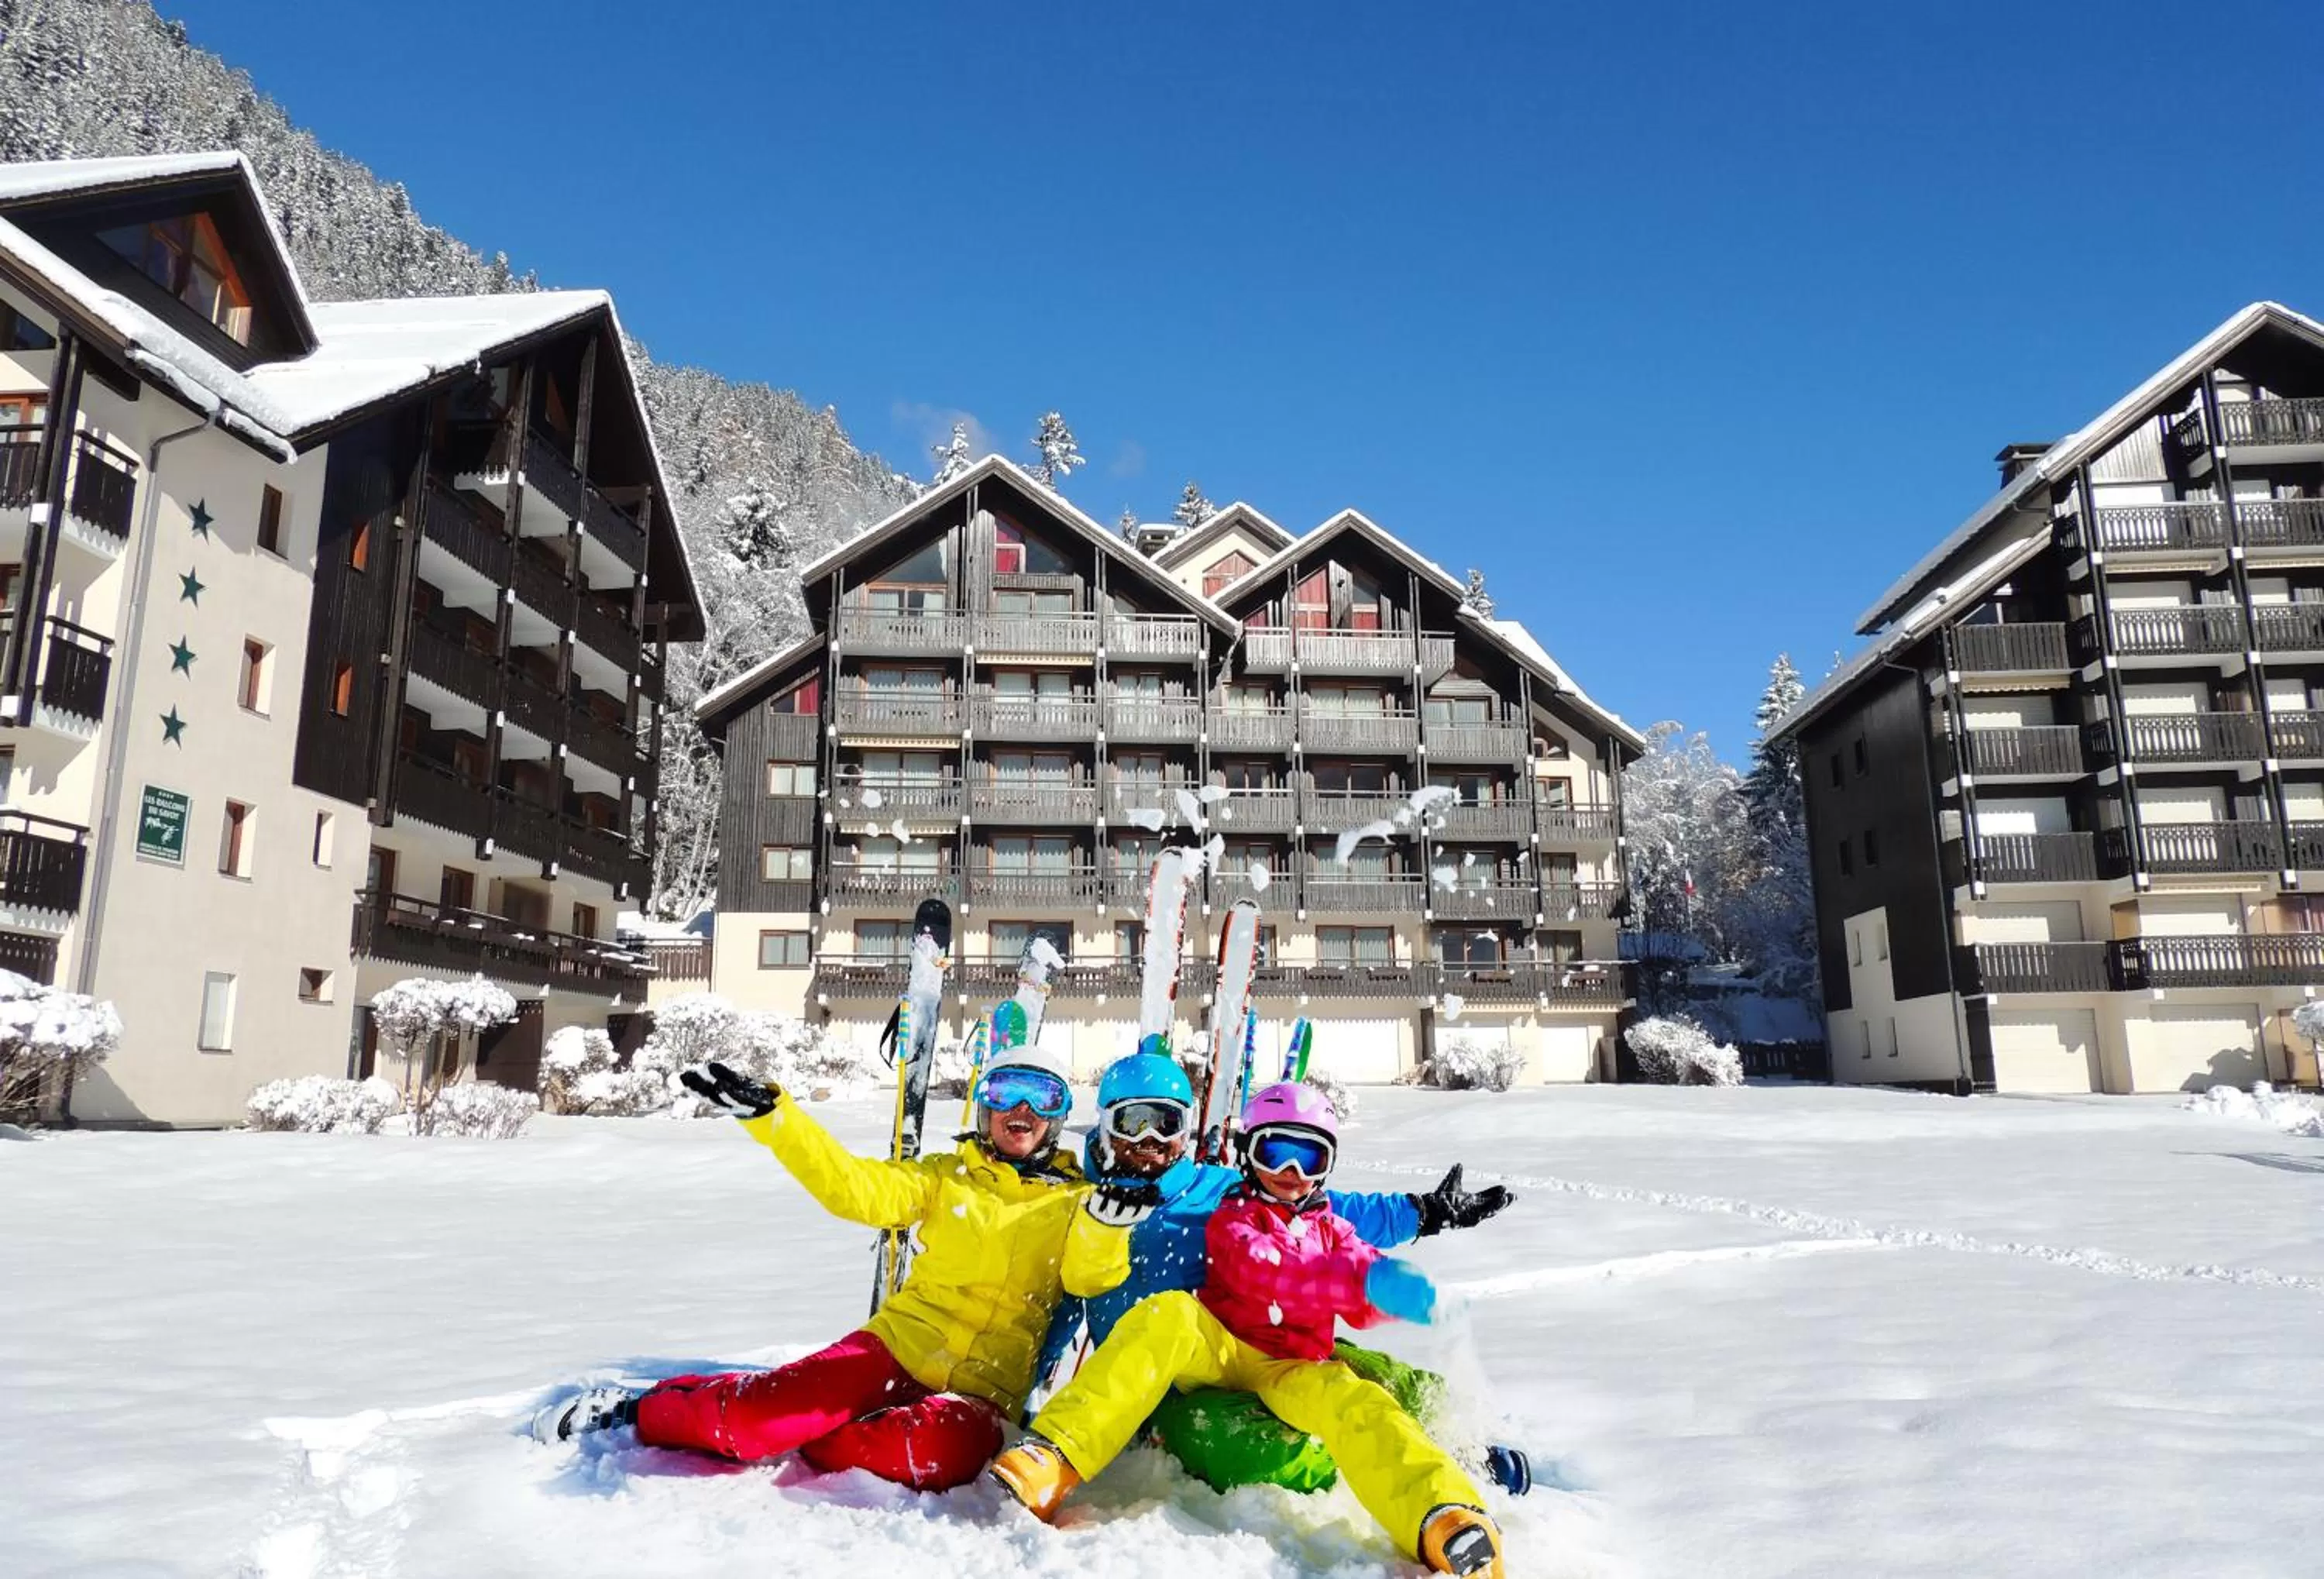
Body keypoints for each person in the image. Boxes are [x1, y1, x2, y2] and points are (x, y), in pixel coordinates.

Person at [533, 1046, 1152, 1492]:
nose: (1021, 1108)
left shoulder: (1076, 1201)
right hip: (893, 1349)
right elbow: (853, 1190)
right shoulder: (943, 1176)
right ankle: (640, 1409)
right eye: (1004, 1092)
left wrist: (1105, 1227)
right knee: (756, 1423)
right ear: (983, 1106)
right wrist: (777, 1121)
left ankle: (808, 1428)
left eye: (1042, 1096)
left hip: (981, 1391)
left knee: (936, 1456)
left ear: (1058, 1114)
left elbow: (1088, 1280)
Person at [990, 1082, 1508, 1577]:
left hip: (1294, 1367)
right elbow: (1266, 1273)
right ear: (1247, 1155)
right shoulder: (1233, 1215)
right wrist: (1360, 1284)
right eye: (1275, 1152)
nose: (1290, 1172)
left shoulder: (1333, 1228)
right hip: (1220, 1348)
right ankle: (1055, 1456)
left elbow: (1357, 1266)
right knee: (1166, 1313)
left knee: (1360, 1401)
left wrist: (1391, 1282)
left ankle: (1445, 1517)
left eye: (1310, 1158)